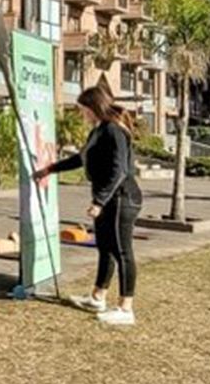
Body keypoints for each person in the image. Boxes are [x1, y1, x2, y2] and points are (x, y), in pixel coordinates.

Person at [34, 85, 144, 326]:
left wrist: (99, 201)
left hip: (122, 199)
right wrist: (50, 169)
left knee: (122, 251)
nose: (81, 114)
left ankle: (126, 308)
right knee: (105, 247)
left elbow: (120, 170)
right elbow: (80, 158)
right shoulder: (99, 130)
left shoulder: (114, 130)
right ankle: (98, 296)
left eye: (83, 109)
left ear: (94, 107)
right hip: (108, 199)